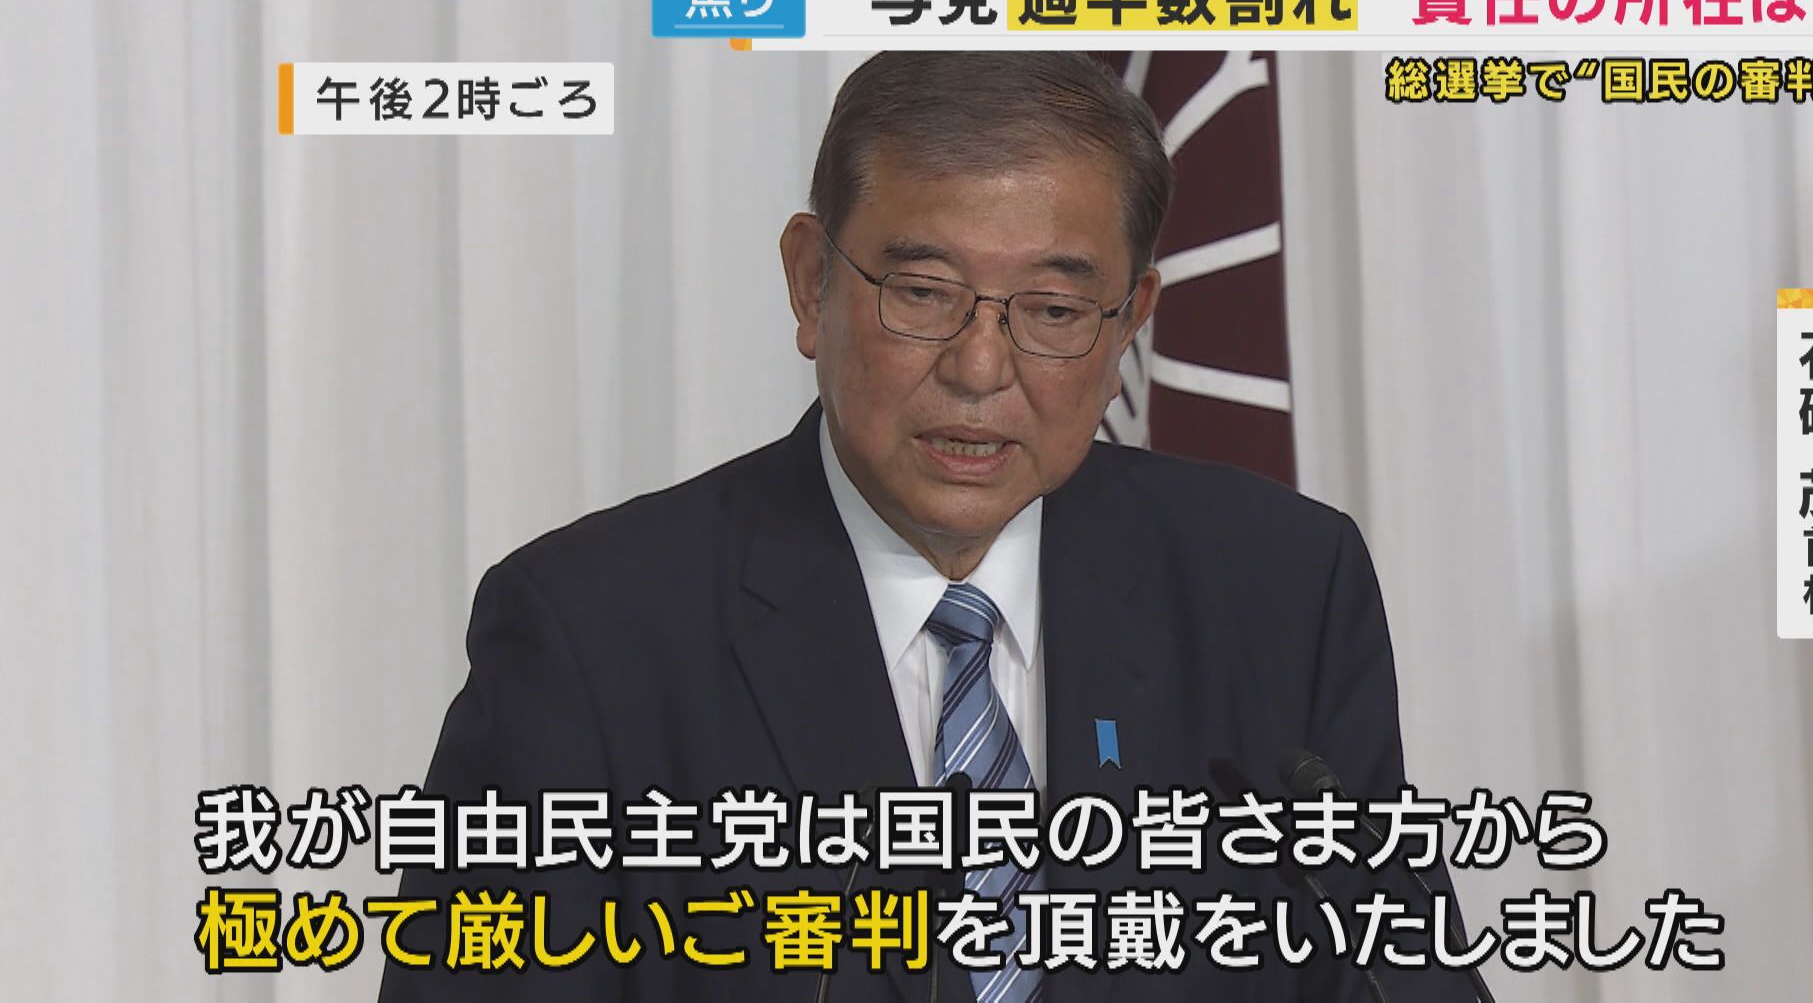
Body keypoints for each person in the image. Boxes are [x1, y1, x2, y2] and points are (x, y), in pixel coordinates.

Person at [380, 51, 1473, 1002]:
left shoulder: (1280, 591)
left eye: (1054, 310)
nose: (980, 367)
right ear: (811, 283)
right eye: (923, 293)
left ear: (1128, 323)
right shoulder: (593, 634)